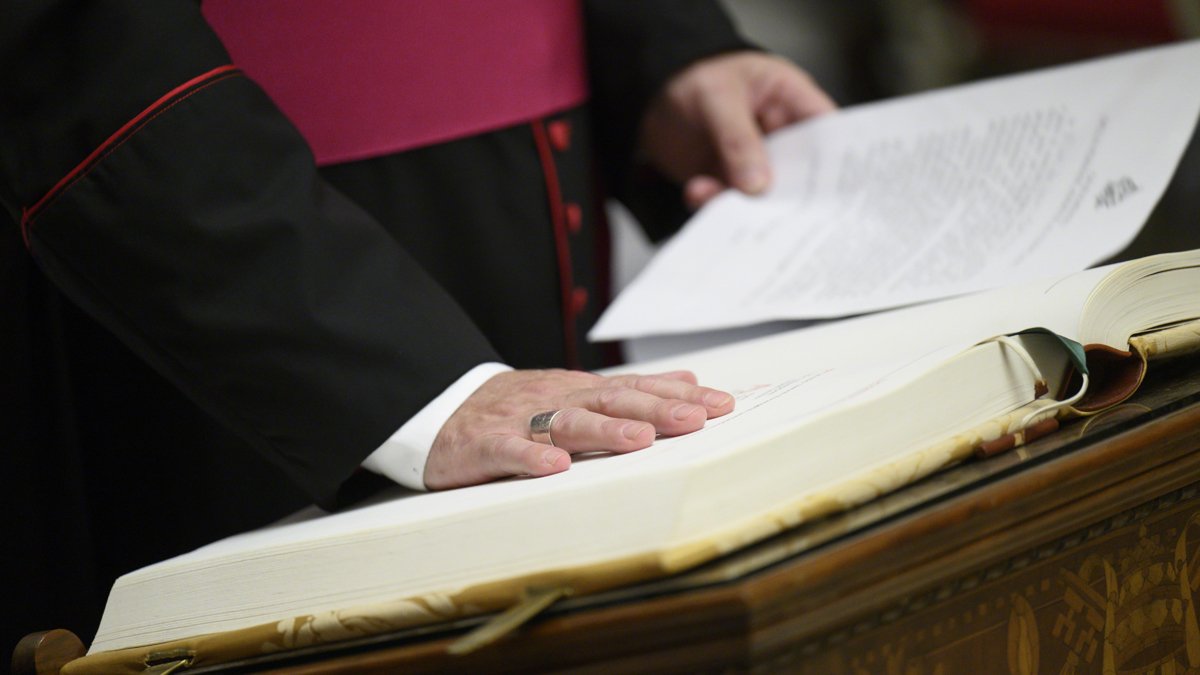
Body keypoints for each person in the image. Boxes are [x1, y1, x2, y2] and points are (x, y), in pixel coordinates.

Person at [0, 0, 834, 654]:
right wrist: (409, 386)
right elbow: (71, 44)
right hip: (222, 273)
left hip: (534, 193)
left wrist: (669, 47)